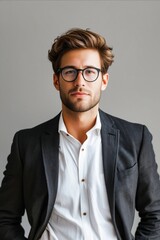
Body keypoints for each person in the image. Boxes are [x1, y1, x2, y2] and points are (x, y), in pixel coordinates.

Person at [0, 28, 160, 240]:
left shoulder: (136, 138)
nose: (80, 81)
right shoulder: (27, 143)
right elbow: (5, 218)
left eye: (90, 71)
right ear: (57, 81)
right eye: (69, 71)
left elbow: (155, 215)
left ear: (104, 80)